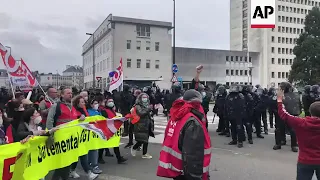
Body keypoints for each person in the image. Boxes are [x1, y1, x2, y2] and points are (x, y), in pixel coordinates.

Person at [157, 89, 211, 180]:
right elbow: (193, 153)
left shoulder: (176, 114)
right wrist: (195, 176)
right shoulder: (192, 121)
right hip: (186, 170)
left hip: (176, 166)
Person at [277, 88, 320, 180]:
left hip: (305, 160)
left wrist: (280, 99)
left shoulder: (300, 122)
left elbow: (283, 114)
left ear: (310, 112)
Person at [46, 88, 78, 180]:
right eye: (68, 93)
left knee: (68, 161)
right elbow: (50, 121)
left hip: (71, 139)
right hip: (60, 138)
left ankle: (64, 177)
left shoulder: (72, 106)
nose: (70, 95)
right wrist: (50, 135)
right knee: (61, 162)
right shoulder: (56, 106)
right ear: (62, 95)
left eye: (71, 93)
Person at [68, 95, 99, 180]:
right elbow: (72, 121)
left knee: (80, 154)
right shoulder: (73, 110)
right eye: (81, 102)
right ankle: (88, 172)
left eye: (84, 102)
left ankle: (72, 171)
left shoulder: (84, 110)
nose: (83, 103)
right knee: (81, 154)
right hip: (75, 136)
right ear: (77, 103)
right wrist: (79, 118)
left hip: (83, 136)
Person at [99, 96, 127, 164]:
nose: (111, 103)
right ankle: (100, 158)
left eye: (112, 101)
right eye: (109, 101)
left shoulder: (113, 110)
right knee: (103, 144)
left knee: (115, 144)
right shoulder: (104, 110)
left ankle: (119, 158)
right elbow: (105, 119)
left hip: (113, 129)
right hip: (107, 129)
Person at [273, 82, 300, 152]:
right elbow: (273, 104)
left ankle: (294, 145)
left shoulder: (293, 95)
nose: (280, 88)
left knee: (292, 130)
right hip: (280, 115)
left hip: (290, 115)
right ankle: (279, 143)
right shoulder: (278, 95)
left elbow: (297, 104)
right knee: (278, 129)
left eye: (281, 87)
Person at [130, 93, 154, 159]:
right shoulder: (137, 106)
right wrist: (148, 109)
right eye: (143, 97)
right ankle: (135, 147)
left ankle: (144, 153)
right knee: (141, 140)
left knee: (146, 140)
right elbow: (141, 113)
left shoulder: (147, 105)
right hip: (140, 125)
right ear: (140, 98)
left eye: (146, 97)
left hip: (147, 124)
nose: (145, 99)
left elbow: (148, 113)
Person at [87, 99, 103, 174]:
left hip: (96, 133)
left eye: (97, 103)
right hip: (90, 133)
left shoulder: (98, 112)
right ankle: (93, 165)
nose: (96, 105)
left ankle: (92, 163)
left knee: (94, 149)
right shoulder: (88, 112)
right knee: (93, 149)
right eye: (95, 103)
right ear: (91, 104)